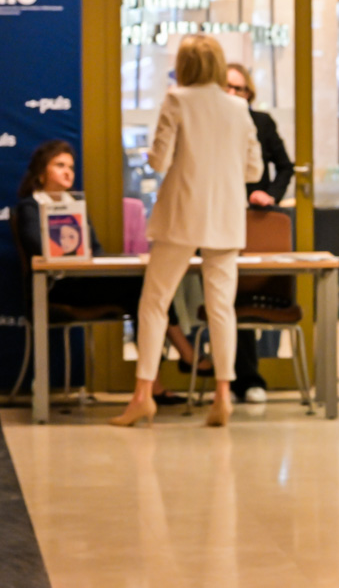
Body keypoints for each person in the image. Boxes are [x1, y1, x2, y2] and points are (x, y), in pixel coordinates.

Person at [111, 35, 263, 428]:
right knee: (221, 306)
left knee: (154, 302)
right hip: (226, 216)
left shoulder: (176, 100)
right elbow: (254, 170)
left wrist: (159, 154)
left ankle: (143, 395)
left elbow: (159, 161)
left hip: (181, 213)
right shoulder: (238, 106)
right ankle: (223, 395)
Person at [15, 140, 190, 405]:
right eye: (60, 165)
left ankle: (159, 379)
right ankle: (182, 361)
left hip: (83, 281)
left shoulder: (76, 203)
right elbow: (35, 247)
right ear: (41, 172)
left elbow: (95, 249)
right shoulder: (30, 207)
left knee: (146, 289)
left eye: (70, 167)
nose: (67, 172)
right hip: (54, 287)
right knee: (142, 292)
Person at [224, 62, 296, 403]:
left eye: (239, 88)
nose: (233, 93)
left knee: (253, 293)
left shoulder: (262, 123)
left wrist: (270, 196)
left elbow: (285, 167)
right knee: (225, 297)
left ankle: (252, 376)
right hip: (219, 216)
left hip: (255, 219)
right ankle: (229, 377)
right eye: (227, 87)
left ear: (249, 94)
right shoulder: (213, 123)